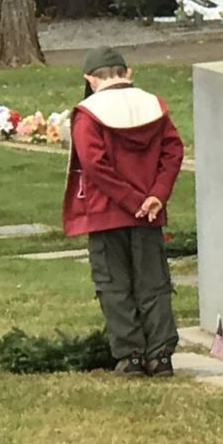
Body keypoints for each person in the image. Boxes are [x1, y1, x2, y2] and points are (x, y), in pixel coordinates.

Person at [62, 47, 185, 378]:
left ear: (90, 79)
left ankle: (130, 356)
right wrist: (156, 196)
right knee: (153, 281)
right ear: (127, 72)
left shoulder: (88, 114)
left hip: (106, 213)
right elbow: (173, 150)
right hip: (149, 213)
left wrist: (130, 201)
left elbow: (94, 165)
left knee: (113, 283)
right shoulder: (153, 105)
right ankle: (161, 356)